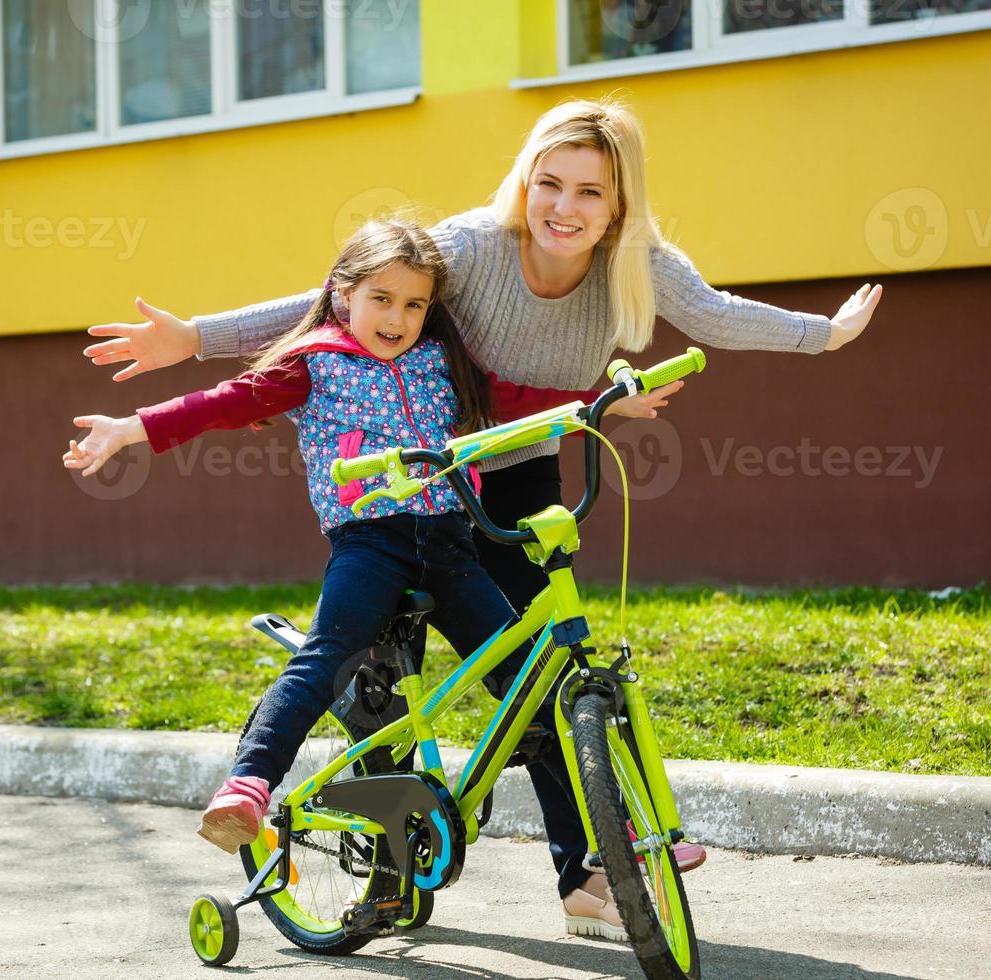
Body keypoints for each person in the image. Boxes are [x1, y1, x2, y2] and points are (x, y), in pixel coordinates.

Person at [79, 97, 882, 939]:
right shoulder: (463, 251)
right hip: (402, 492)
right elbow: (328, 307)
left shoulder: (606, 275)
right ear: (526, 181)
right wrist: (193, 341)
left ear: (618, 205)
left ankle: (592, 871)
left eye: (590, 193)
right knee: (380, 677)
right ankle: (377, 863)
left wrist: (821, 336)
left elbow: (708, 317)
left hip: (509, 475)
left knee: (536, 674)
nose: (565, 208)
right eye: (550, 184)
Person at [64, 220, 676, 933]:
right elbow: (223, 404)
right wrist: (130, 429)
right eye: (382, 299)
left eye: (414, 305)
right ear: (342, 294)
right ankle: (249, 786)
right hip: (368, 547)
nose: (398, 318)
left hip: (451, 546)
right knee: (330, 656)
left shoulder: (441, 359)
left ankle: (600, 857)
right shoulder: (314, 363)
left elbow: (516, 400)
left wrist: (602, 403)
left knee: (527, 680)